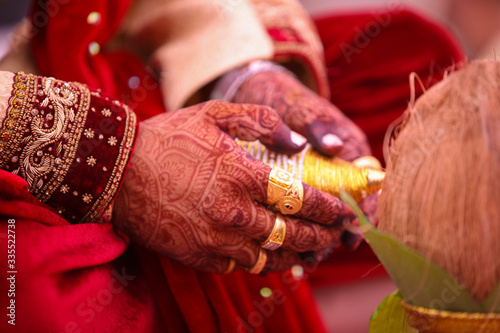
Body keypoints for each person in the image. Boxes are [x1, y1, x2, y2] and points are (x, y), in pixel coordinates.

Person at [0, 0, 464, 332]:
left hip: (100, 51)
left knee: (412, 63)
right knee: (29, 294)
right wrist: (113, 159)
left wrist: (242, 72)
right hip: (24, 127)